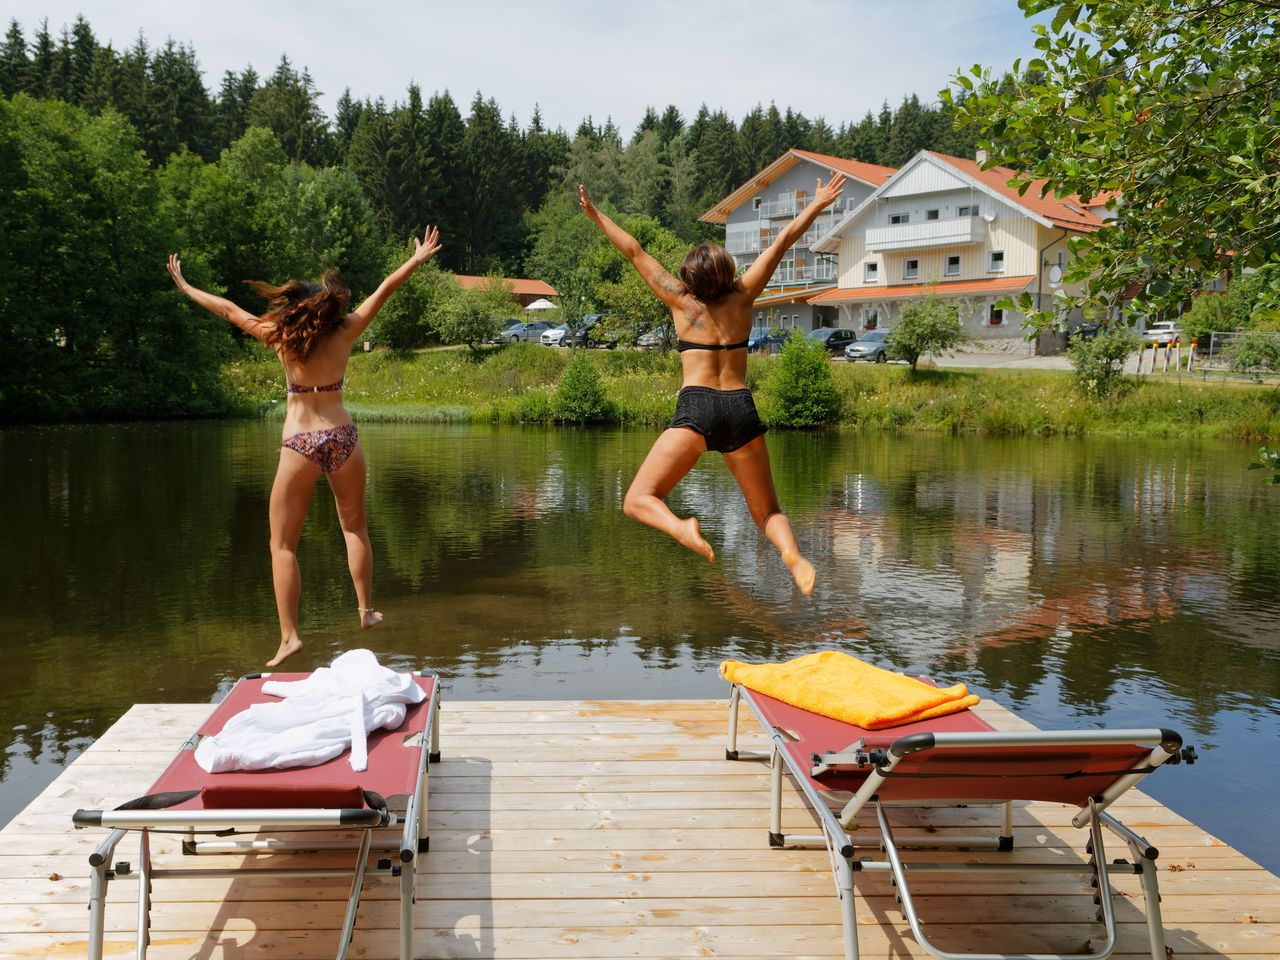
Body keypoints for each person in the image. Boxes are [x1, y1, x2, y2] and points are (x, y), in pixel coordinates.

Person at [166, 227, 443, 665]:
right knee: (354, 527)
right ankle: (366, 610)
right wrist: (417, 258)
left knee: (282, 545)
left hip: (300, 441)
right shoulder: (347, 331)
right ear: (327, 308)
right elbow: (385, 289)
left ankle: (290, 636)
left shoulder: (278, 338)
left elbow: (228, 310)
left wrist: (186, 287)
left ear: (294, 308)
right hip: (342, 436)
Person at [578, 177, 846, 595]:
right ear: (726, 272)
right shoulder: (744, 297)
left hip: (697, 407)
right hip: (740, 407)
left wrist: (597, 216)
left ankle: (681, 528)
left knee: (637, 500)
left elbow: (634, 250)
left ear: (690, 277)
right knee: (767, 511)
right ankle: (793, 556)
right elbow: (783, 241)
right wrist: (816, 204)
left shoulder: (680, 302)